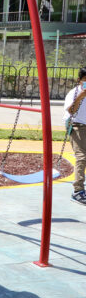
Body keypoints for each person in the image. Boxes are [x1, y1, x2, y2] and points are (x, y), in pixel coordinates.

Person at [64, 66, 86, 205]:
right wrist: (80, 96)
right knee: (82, 156)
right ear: (79, 81)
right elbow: (71, 110)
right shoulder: (74, 93)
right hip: (77, 125)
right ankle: (77, 191)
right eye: (85, 81)